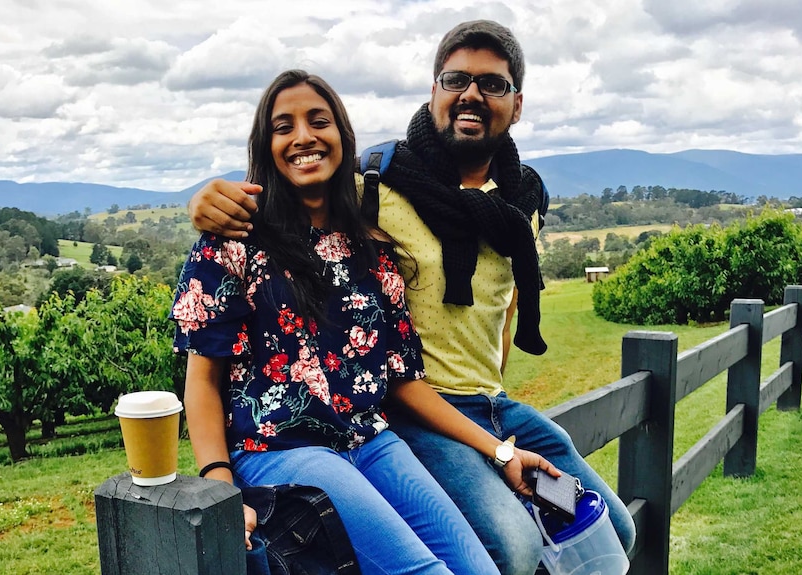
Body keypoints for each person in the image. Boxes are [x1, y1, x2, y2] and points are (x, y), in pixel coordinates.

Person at [187, 21, 637, 575]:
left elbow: (463, 333)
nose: (471, 94)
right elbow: (203, 375)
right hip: (301, 441)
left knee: (605, 531)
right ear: (433, 91)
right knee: (500, 553)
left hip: (392, 428)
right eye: (456, 79)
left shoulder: (393, 244)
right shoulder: (366, 186)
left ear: (516, 104)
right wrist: (206, 199)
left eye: (491, 84)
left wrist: (499, 444)